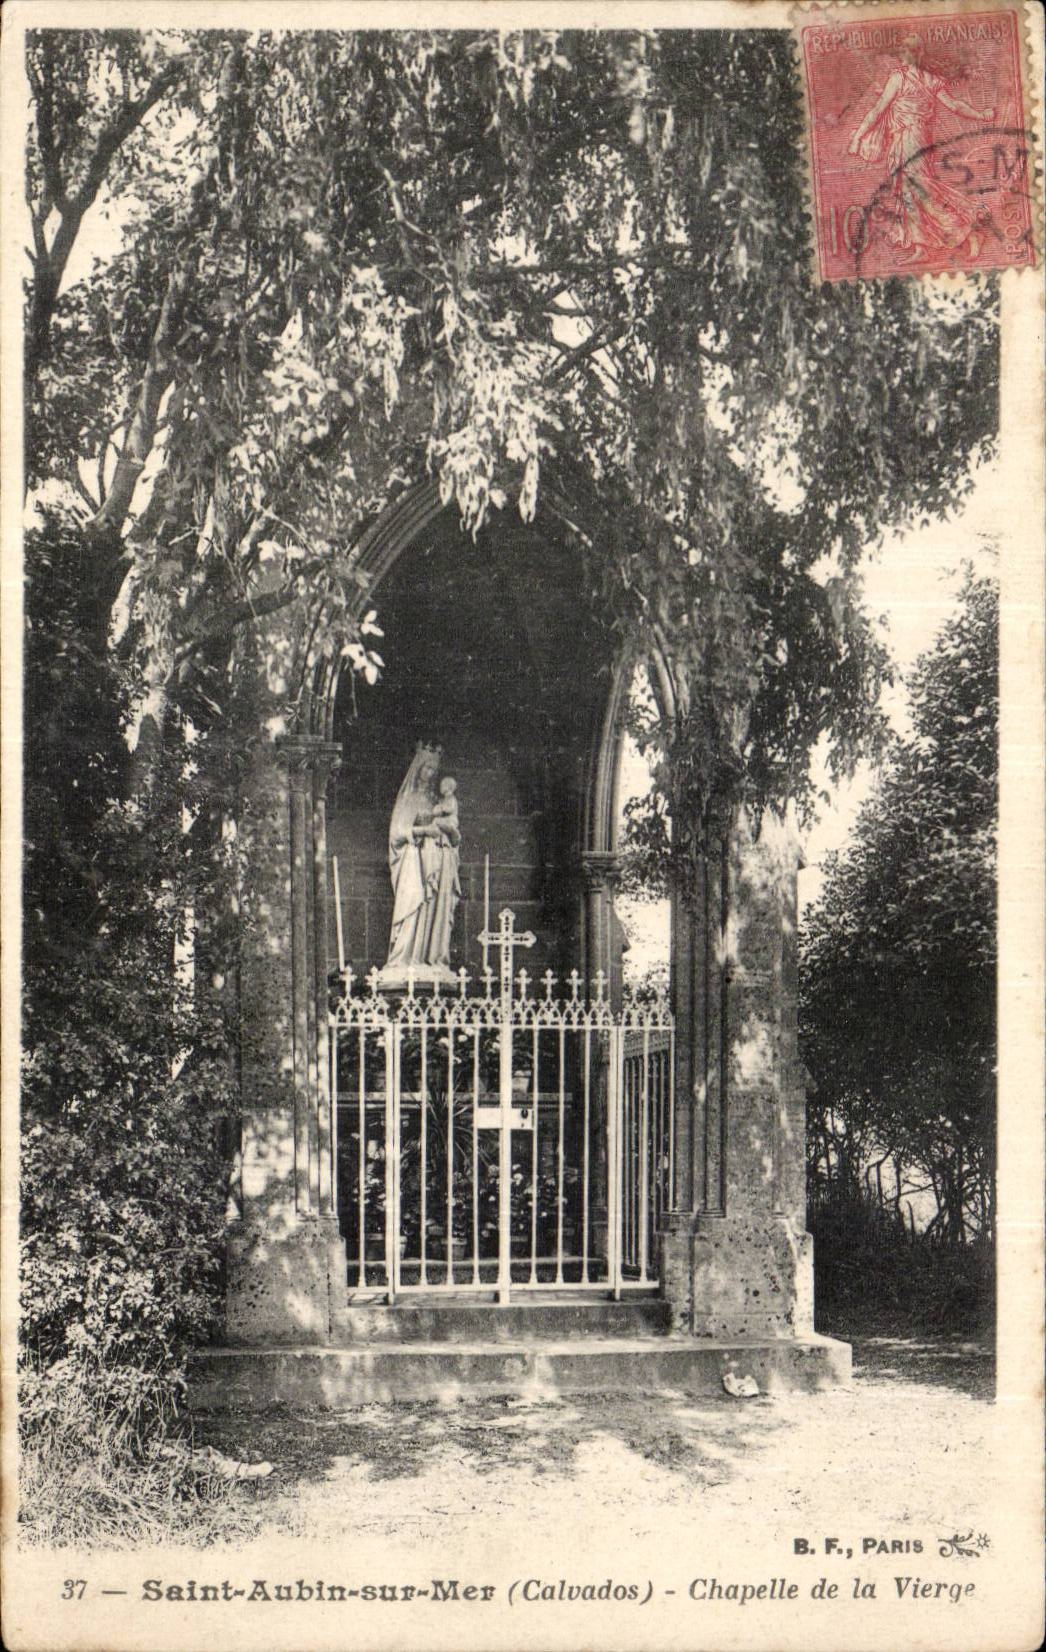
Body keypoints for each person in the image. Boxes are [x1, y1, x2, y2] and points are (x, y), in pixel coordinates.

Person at [848, 33, 995, 260]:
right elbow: (954, 106)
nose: (906, 54)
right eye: (905, 49)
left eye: (910, 49)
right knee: (910, 195)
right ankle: (921, 248)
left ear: (918, 53)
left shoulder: (902, 78)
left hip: (911, 140)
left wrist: (857, 138)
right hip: (910, 140)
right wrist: (981, 115)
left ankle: (969, 232)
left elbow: (878, 110)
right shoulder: (923, 78)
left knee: (920, 192)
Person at [382, 747, 461, 976]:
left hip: (439, 861)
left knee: (437, 912)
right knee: (413, 906)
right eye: (426, 767)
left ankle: (433, 959)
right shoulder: (408, 798)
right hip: (415, 862)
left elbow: (454, 833)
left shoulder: (439, 800)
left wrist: (451, 833)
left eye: (434, 769)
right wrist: (425, 831)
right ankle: (406, 958)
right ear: (417, 769)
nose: (430, 773)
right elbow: (397, 833)